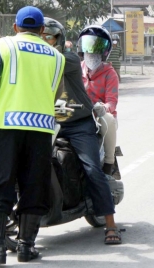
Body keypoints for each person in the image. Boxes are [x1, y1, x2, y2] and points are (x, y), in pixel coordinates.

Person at [0, 6, 65, 265]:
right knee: (34, 187)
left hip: (5, 129)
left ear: (16, 27)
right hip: (40, 130)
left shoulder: (3, 47)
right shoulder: (57, 56)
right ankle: (26, 247)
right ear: (42, 31)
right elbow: (56, 94)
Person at [43, 19, 122, 245]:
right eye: (43, 37)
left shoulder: (70, 62)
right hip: (54, 121)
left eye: (51, 37)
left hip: (82, 123)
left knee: (92, 170)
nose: (46, 41)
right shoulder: (54, 62)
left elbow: (111, 102)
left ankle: (110, 224)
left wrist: (102, 108)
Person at [78, 25, 119, 181]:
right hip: (79, 114)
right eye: (88, 46)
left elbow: (112, 102)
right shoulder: (77, 69)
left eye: (97, 47)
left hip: (100, 116)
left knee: (108, 119)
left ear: (105, 51)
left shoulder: (110, 73)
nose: (92, 52)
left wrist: (103, 108)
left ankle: (109, 164)